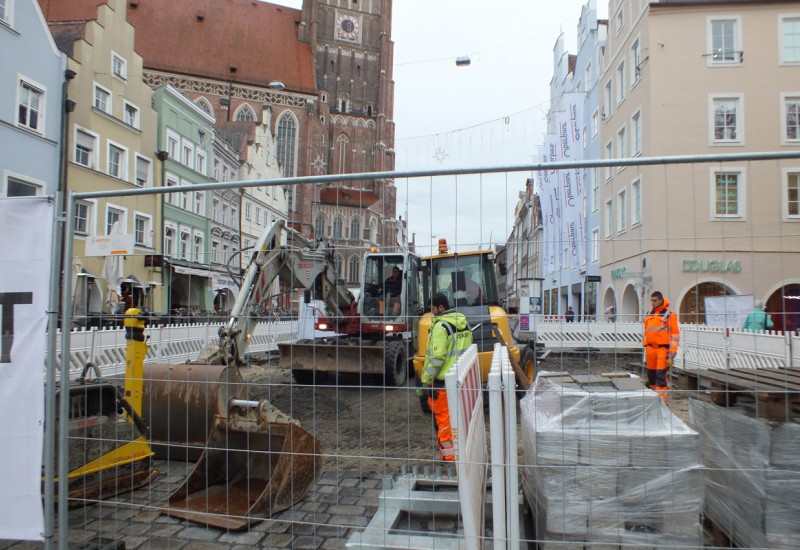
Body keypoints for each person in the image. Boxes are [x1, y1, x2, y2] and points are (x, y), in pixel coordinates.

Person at [415, 293, 473, 462]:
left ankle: (449, 459)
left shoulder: (441, 327)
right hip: (461, 379)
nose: (432, 313)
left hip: (442, 384)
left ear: (441, 308)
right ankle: (460, 452)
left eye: (433, 309)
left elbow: (436, 359)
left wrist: (425, 381)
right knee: (459, 420)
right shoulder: (463, 324)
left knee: (443, 423)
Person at [642, 291, 680, 404]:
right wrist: (645, 344)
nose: (652, 303)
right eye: (651, 300)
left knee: (660, 375)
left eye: (655, 301)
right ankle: (653, 399)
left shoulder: (669, 314)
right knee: (651, 375)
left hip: (662, 349)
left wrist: (673, 351)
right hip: (650, 349)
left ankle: (663, 402)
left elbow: (675, 333)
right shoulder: (650, 313)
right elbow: (646, 330)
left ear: (660, 300)